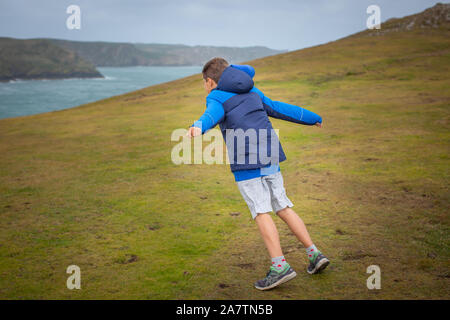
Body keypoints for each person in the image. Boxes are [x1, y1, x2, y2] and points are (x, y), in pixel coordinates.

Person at [186, 57, 329, 291]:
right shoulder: (253, 91)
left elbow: (211, 114)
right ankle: (314, 254)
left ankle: (279, 266)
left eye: (204, 82)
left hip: (247, 160)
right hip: (270, 154)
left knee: (261, 211)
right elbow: (279, 108)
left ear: (210, 82)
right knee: (282, 206)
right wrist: (312, 117)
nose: (205, 86)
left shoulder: (216, 96)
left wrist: (198, 127)